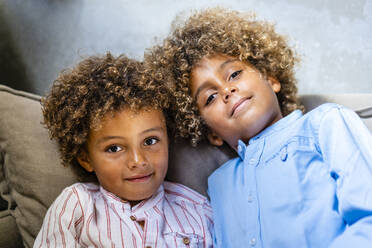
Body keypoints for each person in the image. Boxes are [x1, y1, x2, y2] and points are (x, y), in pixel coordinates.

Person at [145, 7, 372, 247]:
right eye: (209, 98)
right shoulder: (219, 184)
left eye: (234, 74)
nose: (226, 91)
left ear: (271, 79)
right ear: (211, 133)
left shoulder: (326, 123)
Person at [34, 53, 213, 247]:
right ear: (85, 159)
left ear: (168, 139)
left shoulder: (197, 210)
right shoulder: (77, 205)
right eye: (114, 148)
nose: (138, 160)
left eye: (150, 141)